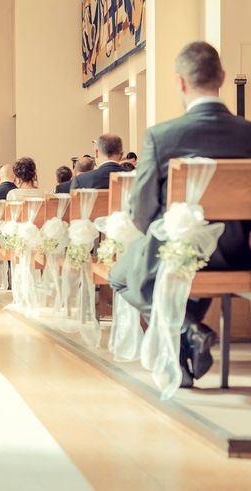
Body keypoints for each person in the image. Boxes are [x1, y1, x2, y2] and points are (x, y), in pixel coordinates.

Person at [110, 41, 251, 387]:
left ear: (181, 83)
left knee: (120, 276)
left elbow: (141, 213)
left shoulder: (162, 137)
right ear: (221, 77)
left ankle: (189, 329)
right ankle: (188, 338)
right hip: (235, 255)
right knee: (186, 276)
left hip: (174, 253)